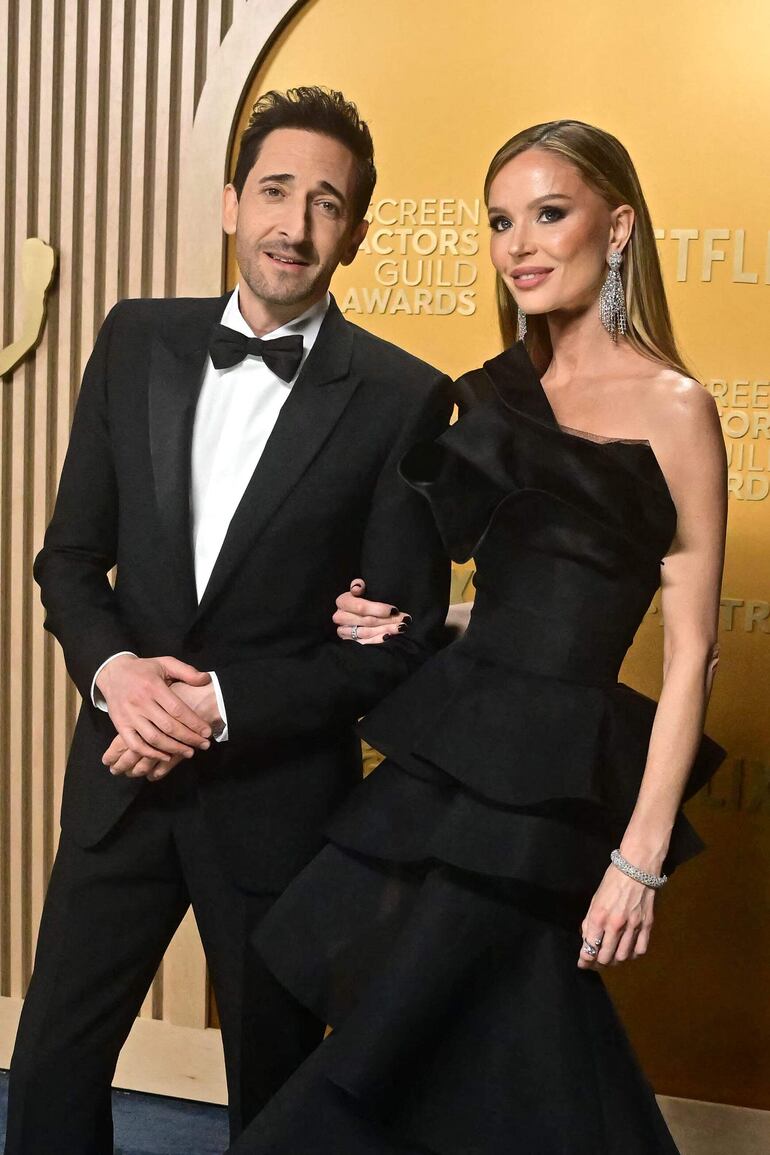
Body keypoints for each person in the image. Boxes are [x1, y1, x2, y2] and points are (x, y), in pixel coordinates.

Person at [226, 120, 727, 1154]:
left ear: (617, 227)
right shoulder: (494, 395)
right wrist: (410, 619)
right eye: (501, 221)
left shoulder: (674, 408)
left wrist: (636, 857)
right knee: (499, 1050)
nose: (520, 244)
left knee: (379, 1058)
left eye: (549, 213)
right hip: (450, 761)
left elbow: (688, 653)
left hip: (540, 794)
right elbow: (516, 602)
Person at [4, 87, 452, 1154]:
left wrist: (216, 703)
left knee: (280, 1085)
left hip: (276, 802)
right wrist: (115, 673)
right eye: (274, 191)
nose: (293, 226)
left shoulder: (404, 397)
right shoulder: (133, 340)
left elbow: (392, 651)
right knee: (53, 1062)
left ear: (357, 229)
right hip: (120, 772)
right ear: (227, 202)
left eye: (326, 204)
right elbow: (68, 560)